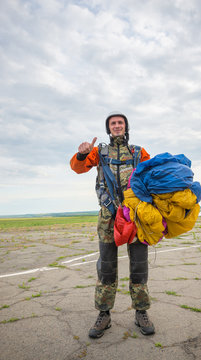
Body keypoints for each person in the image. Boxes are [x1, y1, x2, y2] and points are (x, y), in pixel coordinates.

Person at [70, 112, 155, 338]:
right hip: (108, 216)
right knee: (106, 267)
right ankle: (104, 315)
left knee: (139, 265)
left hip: (134, 217)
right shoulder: (99, 152)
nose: (117, 126)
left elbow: (153, 175)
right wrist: (82, 153)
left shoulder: (139, 152)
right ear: (109, 129)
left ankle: (141, 312)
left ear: (126, 127)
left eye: (120, 123)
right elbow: (77, 168)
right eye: (113, 124)